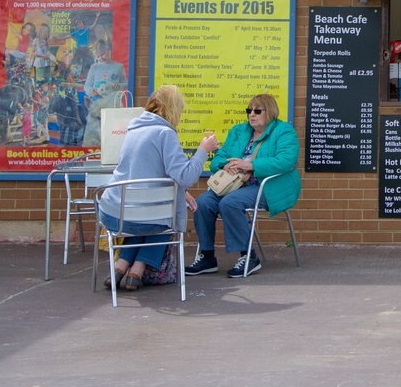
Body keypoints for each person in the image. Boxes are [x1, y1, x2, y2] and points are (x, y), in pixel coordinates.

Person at [97, 85, 219, 291]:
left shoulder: (133, 130)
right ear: (173, 109)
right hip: (140, 216)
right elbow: (185, 176)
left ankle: (120, 267)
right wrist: (202, 151)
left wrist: (183, 193)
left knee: (149, 214)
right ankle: (137, 270)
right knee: (164, 217)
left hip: (112, 214)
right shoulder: (165, 133)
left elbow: (145, 173)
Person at [186, 94, 300, 278]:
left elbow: (287, 161)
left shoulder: (284, 131)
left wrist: (251, 165)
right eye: (249, 111)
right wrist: (226, 165)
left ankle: (249, 257)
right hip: (232, 185)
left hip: (267, 186)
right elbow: (219, 159)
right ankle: (207, 257)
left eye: (257, 111)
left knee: (230, 203)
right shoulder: (239, 131)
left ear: (269, 111)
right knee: (202, 203)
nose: (251, 115)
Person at [82, 37, 127, 146]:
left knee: (114, 137)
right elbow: (87, 85)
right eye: (100, 53)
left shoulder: (118, 67)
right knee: (93, 139)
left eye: (105, 52)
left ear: (109, 51)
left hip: (113, 106)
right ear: (96, 53)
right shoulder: (94, 68)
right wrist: (90, 91)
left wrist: (118, 86)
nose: (103, 55)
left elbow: (126, 84)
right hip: (97, 107)